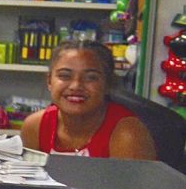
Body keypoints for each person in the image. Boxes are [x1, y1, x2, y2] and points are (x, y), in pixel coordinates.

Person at [20, 39, 156, 159]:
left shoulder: (128, 134)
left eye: (91, 77)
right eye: (65, 76)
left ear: (107, 84)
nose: (76, 85)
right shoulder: (35, 127)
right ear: (49, 81)